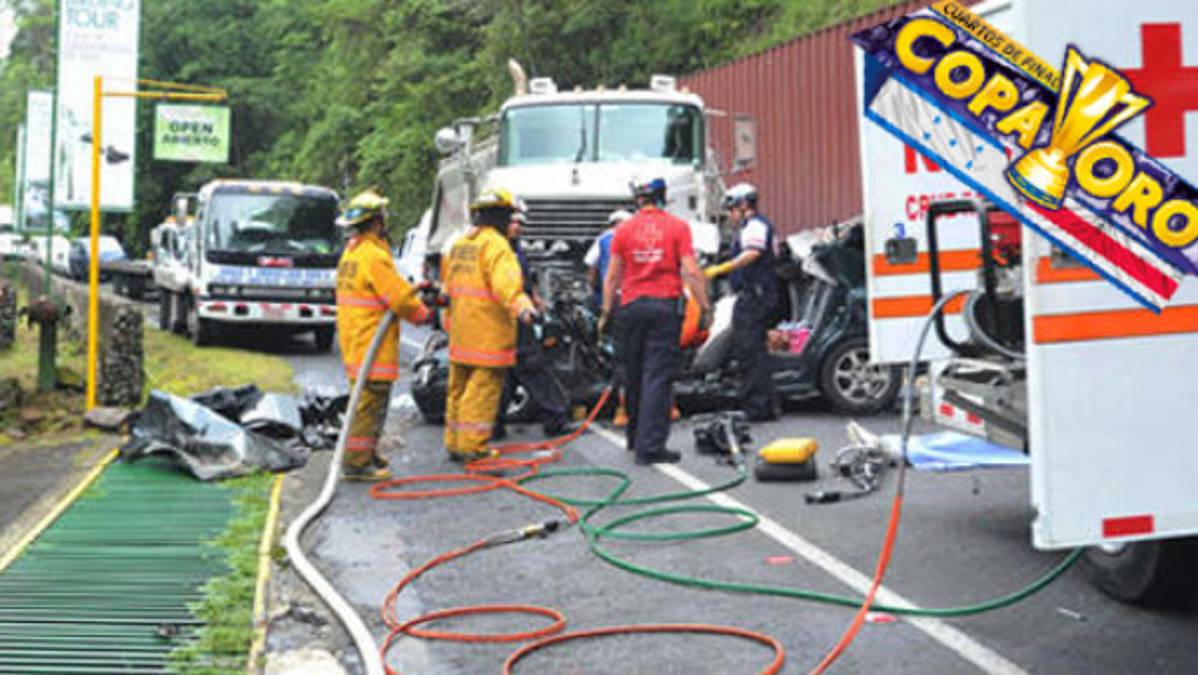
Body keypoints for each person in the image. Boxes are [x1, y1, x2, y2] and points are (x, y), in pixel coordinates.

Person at [600, 178, 709, 465]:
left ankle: (635, 438)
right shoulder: (677, 227)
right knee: (657, 376)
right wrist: (705, 306)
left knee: (633, 373)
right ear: (662, 198)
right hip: (664, 307)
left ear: (638, 200)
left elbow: (612, 276)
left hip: (631, 307)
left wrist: (606, 311)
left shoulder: (623, 230)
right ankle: (650, 447)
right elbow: (691, 271)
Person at [335, 188, 432, 481]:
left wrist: (413, 290)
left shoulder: (352, 254)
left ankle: (365, 453)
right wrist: (422, 314)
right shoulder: (374, 255)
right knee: (369, 406)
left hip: (356, 341)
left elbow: (388, 290)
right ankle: (356, 463)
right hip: (371, 345)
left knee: (364, 402)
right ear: (377, 221)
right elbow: (398, 300)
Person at [442, 189, 538, 462]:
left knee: (458, 389)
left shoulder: (461, 244)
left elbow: (447, 288)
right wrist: (525, 309)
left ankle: (455, 441)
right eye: (509, 216)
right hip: (488, 333)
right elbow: (507, 286)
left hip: (461, 331)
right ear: (500, 217)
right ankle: (473, 447)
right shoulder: (497, 246)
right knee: (482, 390)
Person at [493, 207, 577, 440]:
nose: (517, 226)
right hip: (512, 318)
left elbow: (523, 283)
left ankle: (494, 423)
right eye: (512, 222)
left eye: (520, 222)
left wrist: (536, 300)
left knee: (508, 372)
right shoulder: (499, 250)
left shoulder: (514, 249)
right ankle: (555, 418)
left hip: (514, 317)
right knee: (531, 366)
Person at [704, 182, 778, 421]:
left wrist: (724, 268)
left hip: (754, 297)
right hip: (756, 296)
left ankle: (757, 408)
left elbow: (752, 253)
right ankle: (765, 404)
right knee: (754, 351)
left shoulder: (755, 226)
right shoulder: (755, 226)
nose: (730, 215)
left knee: (749, 352)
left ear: (744, 205)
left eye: (732, 209)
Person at [586, 209, 633, 426]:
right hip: (639, 301)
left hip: (615, 303)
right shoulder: (640, 236)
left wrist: (596, 297)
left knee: (619, 356)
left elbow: (592, 267)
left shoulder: (603, 239)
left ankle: (622, 409)